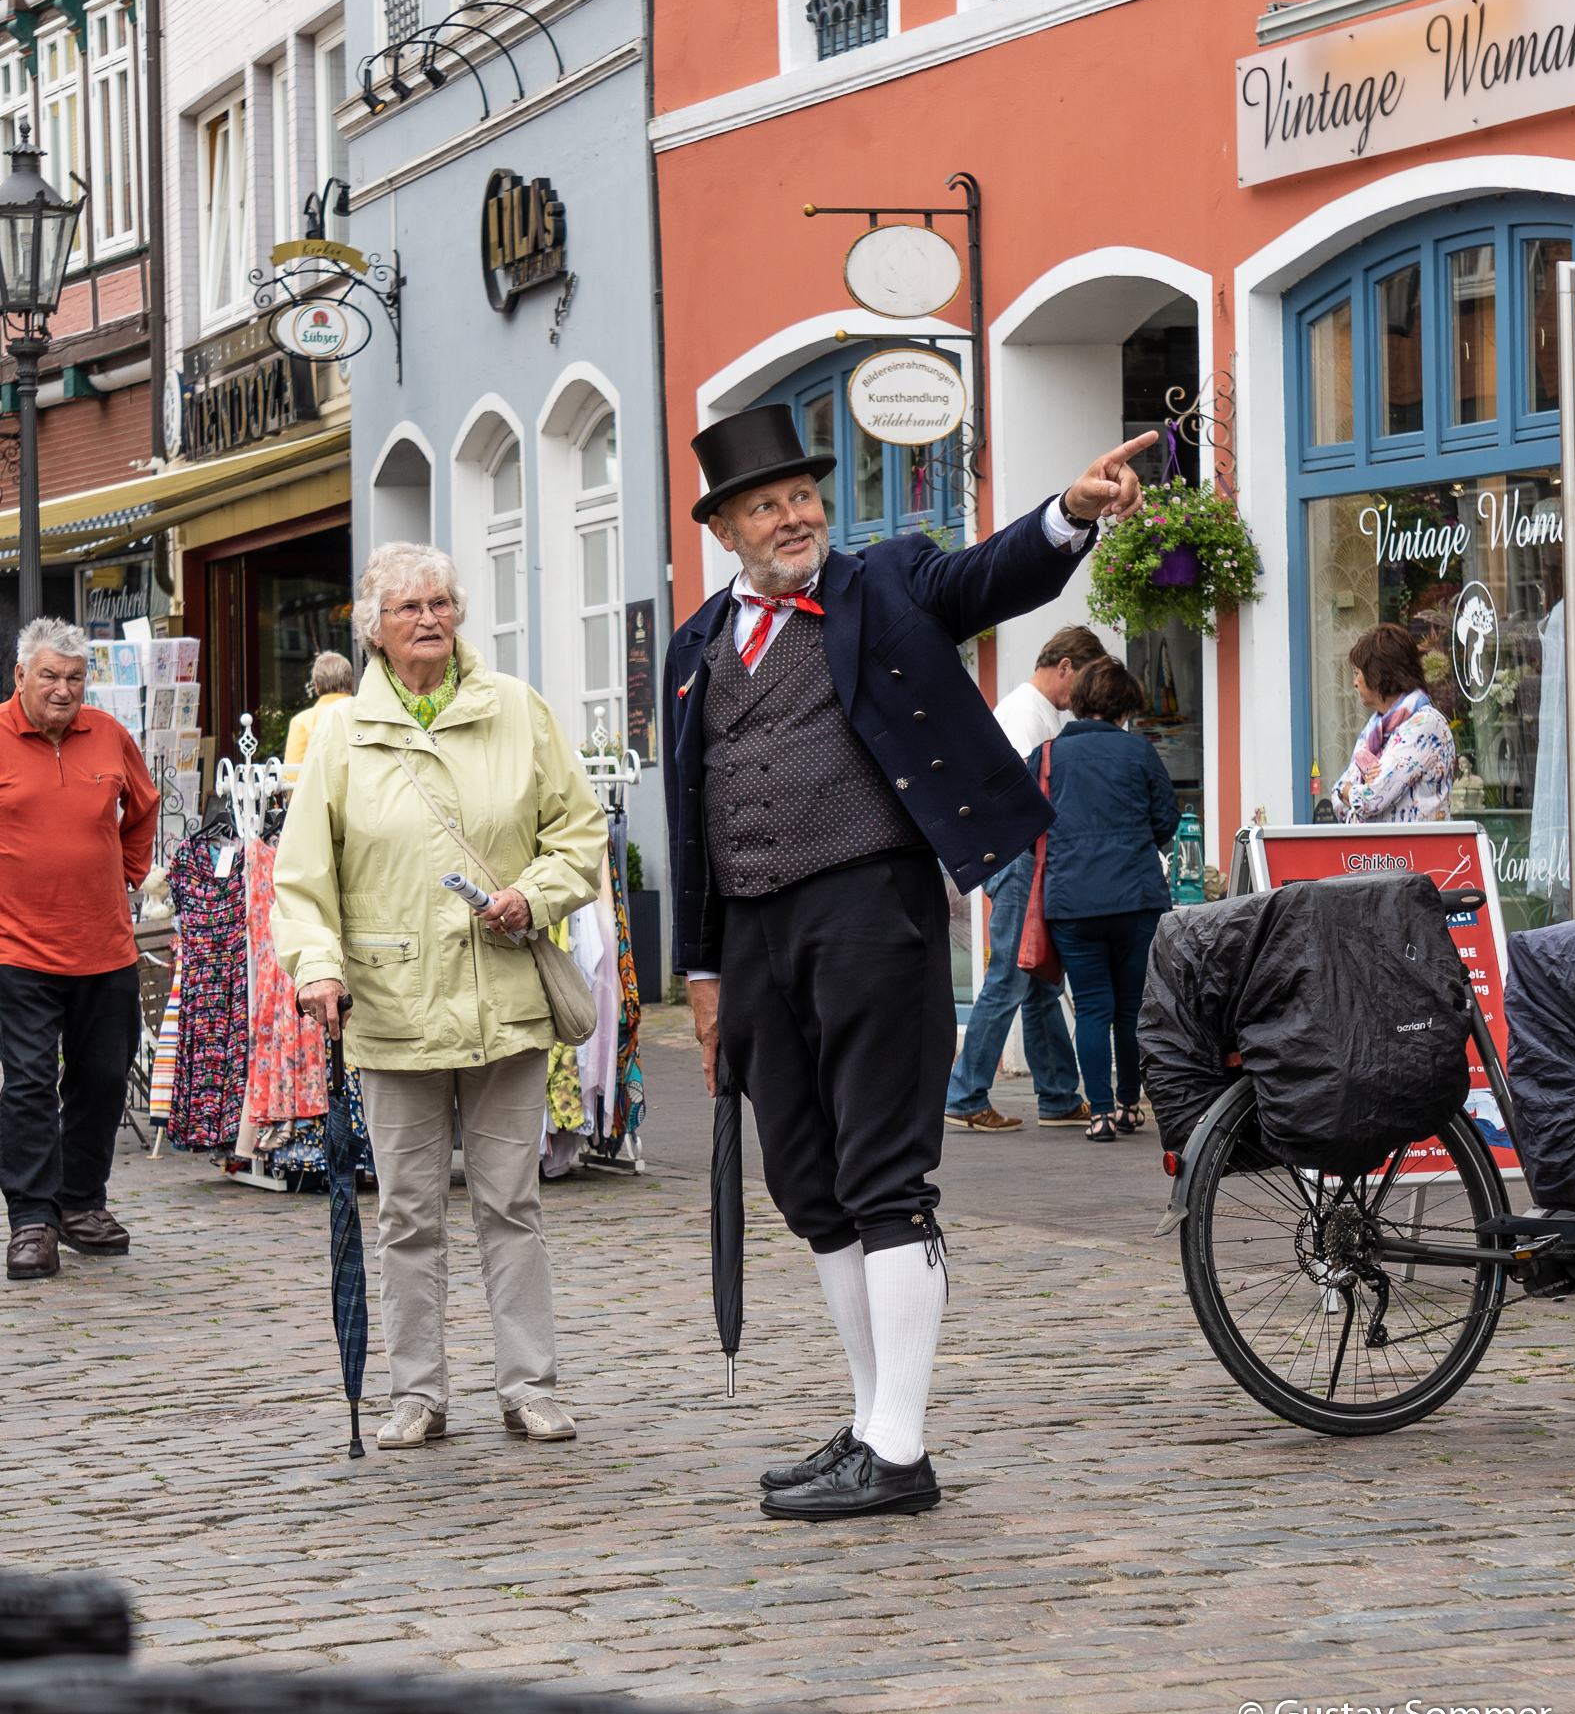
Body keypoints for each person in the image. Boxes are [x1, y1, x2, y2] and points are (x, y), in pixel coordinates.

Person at [664, 401, 1153, 1521]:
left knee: (885, 1174)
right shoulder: (697, 646)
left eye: (803, 496)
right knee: (810, 1184)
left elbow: (988, 576)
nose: (794, 516)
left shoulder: (884, 579)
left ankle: (899, 1445)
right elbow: (690, 816)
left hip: (870, 907)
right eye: (767, 503)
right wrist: (700, 975)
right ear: (728, 525)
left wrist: (1070, 513)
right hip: (750, 936)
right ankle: (873, 1418)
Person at [273, 543, 607, 1450]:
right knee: (408, 1213)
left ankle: (529, 1385)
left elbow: (579, 834)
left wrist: (530, 896)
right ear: (373, 629)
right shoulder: (342, 735)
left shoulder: (516, 711)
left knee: (512, 1204)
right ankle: (416, 1392)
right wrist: (318, 969)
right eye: (410, 606)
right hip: (392, 1008)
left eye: (443, 602)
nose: (430, 617)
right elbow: (302, 882)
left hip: (503, 1002)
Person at [0, 618, 159, 1282]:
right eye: (50, 677)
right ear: (20, 678)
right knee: (31, 1084)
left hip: (106, 946)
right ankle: (32, 1220)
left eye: (74, 678)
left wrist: (123, 874)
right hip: (19, 947)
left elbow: (143, 809)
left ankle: (81, 1204)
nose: (63, 691)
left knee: (100, 1079)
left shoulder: (109, 735)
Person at [943, 627, 1105, 1134]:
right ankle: (965, 1092)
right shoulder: (1025, 714)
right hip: (1017, 858)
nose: (1079, 696)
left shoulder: (1035, 711)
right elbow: (1021, 799)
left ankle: (1057, 1094)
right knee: (1012, 977)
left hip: (1018, 858)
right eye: (1080, 681)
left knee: (1037, 976)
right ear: (1064, 667)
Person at [1030, 657, 1180, 1145]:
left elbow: (1027, 822)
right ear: (1124, 706)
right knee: (1132, 1008)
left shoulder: (1048, 755)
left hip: (1072, 901)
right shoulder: (1140, 752)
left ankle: (1098, 1114)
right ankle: (1130, 1103)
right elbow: (1167, 819)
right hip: (1136, 896)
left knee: (1092, 1007)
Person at [1331, 623, 1455, 824]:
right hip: (1377, 854)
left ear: (1378, 674)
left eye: (1358, 673)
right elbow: (1337, 802)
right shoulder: (1374, 728)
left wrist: (1347, 791)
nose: (1355, 683)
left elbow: (1371, 800)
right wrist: (1348, 791)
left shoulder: (1425, 724)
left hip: (1417, 853)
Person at [281, 652, 355, 780]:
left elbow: (293, 776)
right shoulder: (369, 714)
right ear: (352, 683)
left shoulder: (302, 722)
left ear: (316, 686)